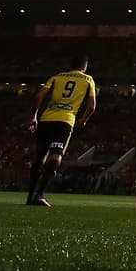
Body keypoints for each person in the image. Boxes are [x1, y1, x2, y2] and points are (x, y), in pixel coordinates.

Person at [26, 55, 97, 207]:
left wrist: (34, 116)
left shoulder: (57, 77)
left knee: (40, 157)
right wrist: (83, 120)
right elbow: (92, 106)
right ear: (84, 66)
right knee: (55, 156)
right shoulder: (87, 79)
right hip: (65, 120)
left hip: (46, 119)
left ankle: (30, 195)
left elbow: (39, 95)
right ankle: (40, 194)